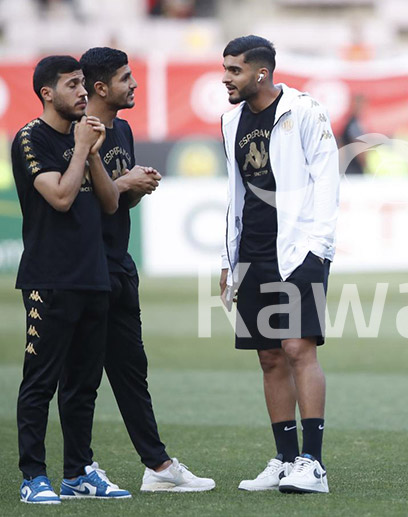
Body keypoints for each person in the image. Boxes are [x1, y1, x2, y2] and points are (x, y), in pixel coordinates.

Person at [80, 47, 216, 493]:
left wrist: (139, 186)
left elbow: (117, 201)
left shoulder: (122, 130)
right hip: (83, 268)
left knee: (131, 371)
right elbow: (69, 202)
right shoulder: (78, 134)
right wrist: (123, 183)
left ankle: (157, 467)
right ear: (101, 87)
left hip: (119, 264)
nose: (134, 84)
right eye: (125, 78)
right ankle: (74, 469)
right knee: (79, 376)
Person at [219, 35, 339, 493]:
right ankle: (286, 460)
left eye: (234, 70)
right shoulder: (231, 121)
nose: (226, 78)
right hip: (251, 250)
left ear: (261, 73)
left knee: (296, 349)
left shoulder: (306, 110)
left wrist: (319, 246)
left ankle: (314, 463)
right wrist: (228, 256)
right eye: (225, 69)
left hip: (297, 249)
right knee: (269, 356)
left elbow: (327, 178)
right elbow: (234, 192)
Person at [12, 55, 127, 503]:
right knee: (40, 380)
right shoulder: (29, 138)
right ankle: (32, 477)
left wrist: (93, 153)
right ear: (47, 93)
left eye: (84, 83)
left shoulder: (86, 137)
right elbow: (60, 197)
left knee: (83, 385)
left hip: (92, 276)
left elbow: (111, 204)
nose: (84, 92)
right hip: (49, 279)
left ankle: (78, 472)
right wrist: (81, 149)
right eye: (73, 84)